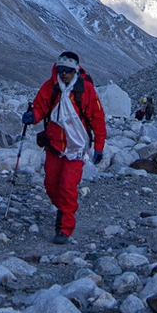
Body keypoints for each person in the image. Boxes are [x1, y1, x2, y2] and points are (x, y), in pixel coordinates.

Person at [22, 51, 107, 244]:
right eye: (61, 70)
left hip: (76, 148)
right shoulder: (50, 87)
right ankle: (64, 209)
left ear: (75, 70)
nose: (64, 75)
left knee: (68, 186)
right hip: (54, 146)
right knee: (51, 185)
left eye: (68, 71)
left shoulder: (86, 90)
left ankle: (64, 229)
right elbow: (39, 107)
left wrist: (99, 146)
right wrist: (32, 117)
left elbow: (97, 119)